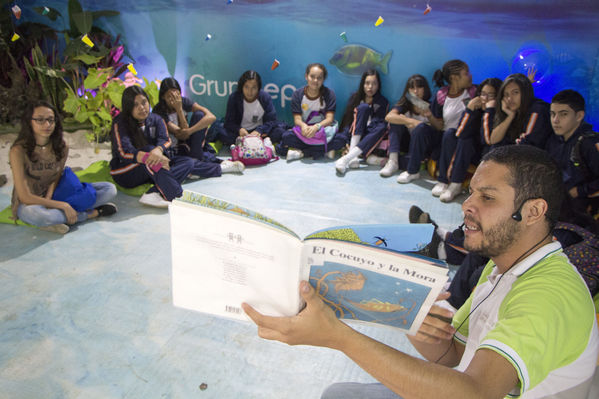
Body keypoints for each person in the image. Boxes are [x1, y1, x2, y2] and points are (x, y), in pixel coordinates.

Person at [243, 145, 598, 399]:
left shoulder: (548, 295)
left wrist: (339, 336)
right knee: (338, 393)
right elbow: (455, 356)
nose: (468, 205)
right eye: (471, 193)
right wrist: (407, 315)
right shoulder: (503, 263)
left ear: (534, 211)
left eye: (487, 198)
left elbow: (474, 391)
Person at [9, 100, 117, 234]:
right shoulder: (18, 150)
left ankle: (61, 218)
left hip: (57, 194)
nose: (47, 125)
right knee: (40, 216)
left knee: (109, 189)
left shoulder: (61, 147)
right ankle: (89, 214)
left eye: (50, 120)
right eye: (40, 120)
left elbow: (56, 177)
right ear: (29, 122)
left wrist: (49, 199)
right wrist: (63, 205)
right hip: (31, 203)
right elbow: (24, 196)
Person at [110, 86, 198, 208]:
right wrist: (150, 156)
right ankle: (177, 195)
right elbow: (124, 153)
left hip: (152, 167)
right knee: (149, 151)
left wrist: (158, 151)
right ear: (128, 107)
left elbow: (166, 140)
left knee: (187, 162)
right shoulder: (120, 123)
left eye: (144, 102)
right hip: (125, 171)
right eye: (135, 105)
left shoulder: (156, 118)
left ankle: (153, 193)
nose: (141, 107)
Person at [397, 60, 477, 187]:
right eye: (466, 73)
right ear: (454, 78)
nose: (470, 75)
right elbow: (439, 126)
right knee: (421, 127)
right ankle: (412, 171)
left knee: (450, 134)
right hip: (443, 137)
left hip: (462, 138)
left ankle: (443, 181)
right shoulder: (442, 95)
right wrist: (429, 115)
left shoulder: (474, 93)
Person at [152, 77, 243, 179]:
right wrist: (179, 110)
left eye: (176, 95)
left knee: (200, 115)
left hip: (188, 144)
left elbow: (211, 117)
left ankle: (198, 160)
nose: (174, 99)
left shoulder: (183, 101)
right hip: (174, 149)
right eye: (169, 96)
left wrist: (191, 130)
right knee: (191, 161)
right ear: (163, 97)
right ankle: (216, 165)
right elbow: (180, 134)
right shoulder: (158, 111)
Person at [434, 77, 503, 202]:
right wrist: (469, 110)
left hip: (485, 154)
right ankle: (447, 181)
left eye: (490, 95)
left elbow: (487, 139)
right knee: (452, 134)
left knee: (483, 145)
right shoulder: (475, 109)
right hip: (466, 151)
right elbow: (460, 133)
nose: (485, 99)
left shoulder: (497, 113)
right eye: (483, 94)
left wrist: (489, 111)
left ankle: (463, 187)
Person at [546, 89, 599, 219]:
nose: (555, 120)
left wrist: (578, 191)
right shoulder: (553, 141)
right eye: (552, 114)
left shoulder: (590, 143)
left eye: (563, 114)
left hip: (586, 217)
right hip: (560, 212)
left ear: (579, 116)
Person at [277, 63, 342, 161]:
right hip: (304, 132)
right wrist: (304, 126)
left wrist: (316, 127)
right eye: (312, 77)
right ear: (306, 76)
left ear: (323, 79)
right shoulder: (297, 95)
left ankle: (302, 152)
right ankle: (321, 151)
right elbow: (297, 119)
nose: (315, 81)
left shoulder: (329, 94)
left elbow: (329, 119)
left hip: (323, 131)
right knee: (286, 137)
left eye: (319, 78)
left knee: (341, 139)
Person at [334, 69, 389, 175]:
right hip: (353, 136)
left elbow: (376, 126)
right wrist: (347, 142)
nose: (370, 87)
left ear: (378, 85)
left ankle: (347, 158)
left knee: (383, 126)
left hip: (368, 137)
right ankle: (353, 155)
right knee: (363, 108)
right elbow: (348, 121)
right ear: (362, 84)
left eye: (374, 84)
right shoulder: (355, 98)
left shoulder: (382, 102)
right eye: (367, 83)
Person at [382, 74, 434, 177]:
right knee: (395, 121)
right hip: (406, 144)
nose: (415, 91)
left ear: (425, 89)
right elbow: (389, 117)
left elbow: (437, 128)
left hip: (422, 148)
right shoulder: (406, 103)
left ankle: (383, 161)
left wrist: (428, 117)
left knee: (414, 162)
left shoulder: (431, 106)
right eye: (412, 88)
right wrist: (410, 121)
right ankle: (393, 161)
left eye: (419, 87)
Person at [222, 70, 287, 146]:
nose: (250, 92)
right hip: (241, 133)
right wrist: (239, 129)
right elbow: (229, 122)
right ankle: (253, 143)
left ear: (258, 88)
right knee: (221, 132)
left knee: (279, 131)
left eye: (254, 88)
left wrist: (260, 130)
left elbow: (272, 120)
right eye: (246, 87)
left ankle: (250, 143)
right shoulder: (234, 97)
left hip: (260, 133)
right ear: (241, 86)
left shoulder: (265, 97)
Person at [489, 73, 551, 149]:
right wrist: (510, 117)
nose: (509, 99)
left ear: (525, 93)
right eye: (506, 94)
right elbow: (493, 140)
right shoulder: (513, 111)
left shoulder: (537, 110)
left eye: (515, 93)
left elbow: (527, 146)